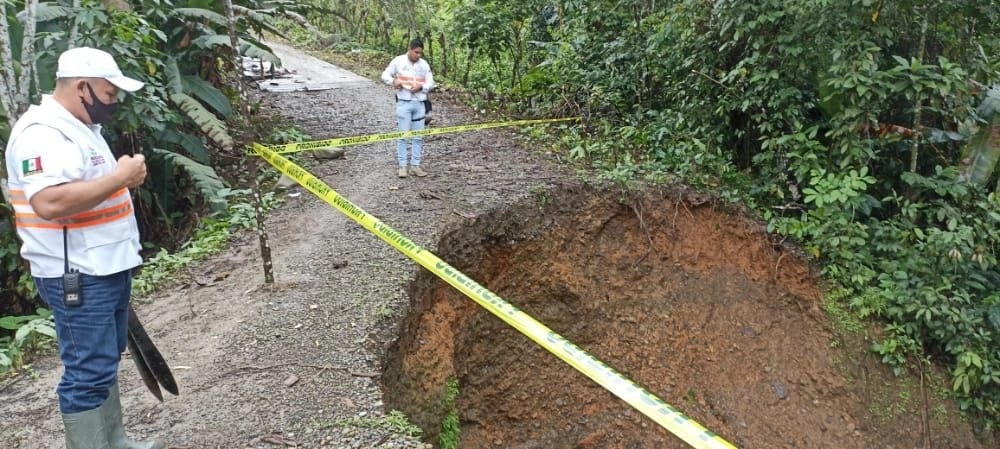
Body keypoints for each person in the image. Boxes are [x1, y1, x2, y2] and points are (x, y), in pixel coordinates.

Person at [3, 47, 163, 449]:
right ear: (82, 87)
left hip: (104, 267)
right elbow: (50, 203)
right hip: (77, 274)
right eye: (109, 95)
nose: (114, 104)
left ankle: (115, 441)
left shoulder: (79, 126)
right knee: (87, 371)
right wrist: (120, 178)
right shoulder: (43, 133)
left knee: (105, 359)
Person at [381, 38, 435, 178]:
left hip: (419, 103)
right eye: (416, 52)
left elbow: (431, 82)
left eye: (420, 53)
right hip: (404, 103)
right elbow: (384, 75)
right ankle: (402, 167)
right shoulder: (398, 61)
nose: (419, 55)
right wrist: (393, 81)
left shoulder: (424, 65)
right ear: (410, 49)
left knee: (418, 137)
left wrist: (422, 87)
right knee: (403, 135)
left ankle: (415, 166)